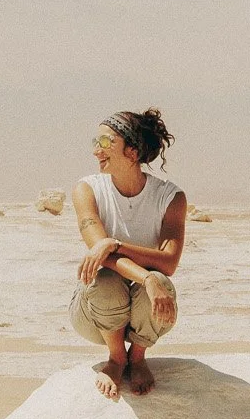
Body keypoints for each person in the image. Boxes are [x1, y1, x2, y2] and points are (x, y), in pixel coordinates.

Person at [71, 108, 186, 399]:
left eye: (106, 143)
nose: (97, 150)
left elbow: (169, 262)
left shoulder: (170, 198)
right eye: (95, 142)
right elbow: (101, 255)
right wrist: (146, 278)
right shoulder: (87, 190)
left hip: (145, 314)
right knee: (106, 278)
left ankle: (137, 356)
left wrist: (117, 245)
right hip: (93, 311)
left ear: (132, 152)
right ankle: (116, 357)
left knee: (163, 282)